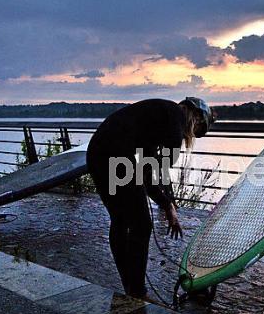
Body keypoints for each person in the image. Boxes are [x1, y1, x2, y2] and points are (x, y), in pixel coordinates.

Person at [86, 97, 214, 297]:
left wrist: (166, 203)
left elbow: (147, 172)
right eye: (197, 127)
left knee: (120, 220)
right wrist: (167, 205)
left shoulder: (161, 114)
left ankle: (130, 285)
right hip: (116, 156)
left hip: (96, 152)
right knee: (142, 224)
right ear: (195, 115)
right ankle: (136, 290)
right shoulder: (175, 125)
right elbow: (150, 175)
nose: (191, 134)